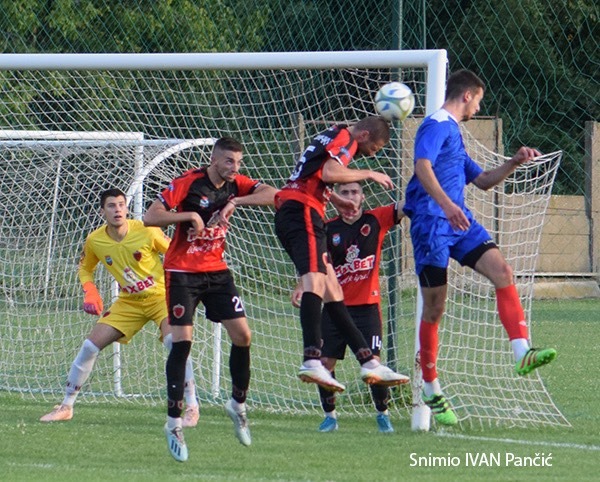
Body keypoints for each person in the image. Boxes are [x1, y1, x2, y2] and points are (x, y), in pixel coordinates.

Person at [403, 69, 557, 426]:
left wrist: (514, 162)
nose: (479, 107)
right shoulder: (437, 124)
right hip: (432, 223)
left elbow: (484, 181)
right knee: (435, 308)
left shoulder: (454, 133)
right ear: (468, 95)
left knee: (503, 272)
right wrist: (446, 204)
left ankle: (522, 352)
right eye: (480, 100)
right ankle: (430, 386)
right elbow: (421, 167)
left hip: (459, 223)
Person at [143, 136, 277, 462]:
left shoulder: (236, 185)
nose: (235, 168)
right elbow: (150, 216)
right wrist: (187, 217)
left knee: (243, 335)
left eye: (239, 163)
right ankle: (174, 422)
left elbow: (274, 194)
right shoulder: (189, 183)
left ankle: (237, 405)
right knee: (182, 343)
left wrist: (236, 202)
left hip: (217, 272)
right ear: (215, 159)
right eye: (229, 162)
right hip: (182, 273)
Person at [40, 188, 200, 428]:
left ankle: (191, 407)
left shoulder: (147, 230)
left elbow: (177, 253)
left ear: (127, 208)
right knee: (89, 347)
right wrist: (90, 291)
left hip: (161, 298)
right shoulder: (95, 240)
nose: (117, 210)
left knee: (175, 344)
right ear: (103, 211)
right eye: (112, 206)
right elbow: (85, 268)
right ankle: (66, 406)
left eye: (121, 205)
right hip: (128, 303)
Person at [274, 115, 408, 394]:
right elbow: (329, 174)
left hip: (299, 209)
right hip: (302, 212)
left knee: (333, 289)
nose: (372, 156)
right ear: (365, 135)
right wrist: (369, 174)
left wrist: (334, 199)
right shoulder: (345, 138)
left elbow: (312, 175)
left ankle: (367, 361)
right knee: (315, 282)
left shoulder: (331, 133)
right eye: (374, 149)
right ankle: (311, 358)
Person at [291, 182, 409, 433]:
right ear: (336, 199)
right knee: (323, 364)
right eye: (344, 192)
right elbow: (313, 260)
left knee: (374, 368)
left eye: (354, 192)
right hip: (335, 309)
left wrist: (428, 180)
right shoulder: (327, 227)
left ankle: (382, 414)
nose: (350, 198)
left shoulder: (375, 219)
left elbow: (405, 206)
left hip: (367, 309)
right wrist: (302, 284)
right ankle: (330, 417)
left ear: (362, 196)